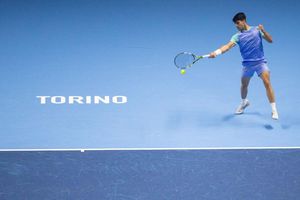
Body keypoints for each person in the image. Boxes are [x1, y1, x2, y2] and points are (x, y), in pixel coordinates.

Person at [209, 12, 279, 120]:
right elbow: (227, 46)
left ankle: (274, 110)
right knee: (244, 85)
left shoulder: (257, 30)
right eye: (235, 24)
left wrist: (263, 30)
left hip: (260, 63)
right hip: (247, 65)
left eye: (238, 23)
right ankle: (244, 102)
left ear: (244, 20)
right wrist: (216, 52)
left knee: (267, 82)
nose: (237, 26)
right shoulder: (237, 36)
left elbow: (271, 40)